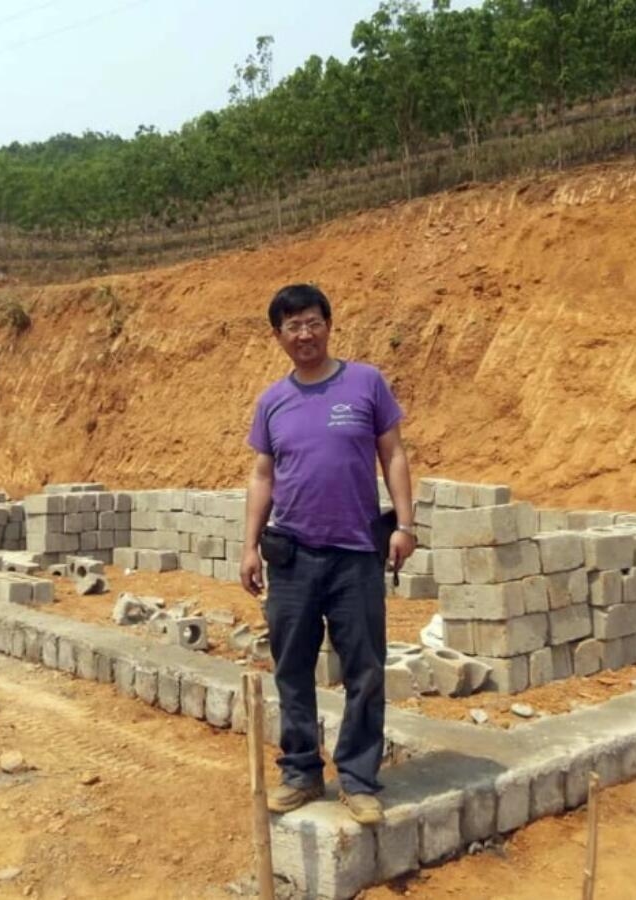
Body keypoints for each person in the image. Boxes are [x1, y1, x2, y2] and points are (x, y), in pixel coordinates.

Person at [241, 283, 414, 826]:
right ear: (279, 336)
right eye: (292, 326)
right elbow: (262, 475)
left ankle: (359, 780)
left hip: (357, 552)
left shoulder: (366, 383)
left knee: (364, 668)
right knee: (291, 667)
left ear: (328, 324)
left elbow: (395, 454)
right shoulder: (272, 401)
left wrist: (406, 524)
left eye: (312, 322)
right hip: (291, 556)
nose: (304, 333)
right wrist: (249, 545)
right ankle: (300, 772)